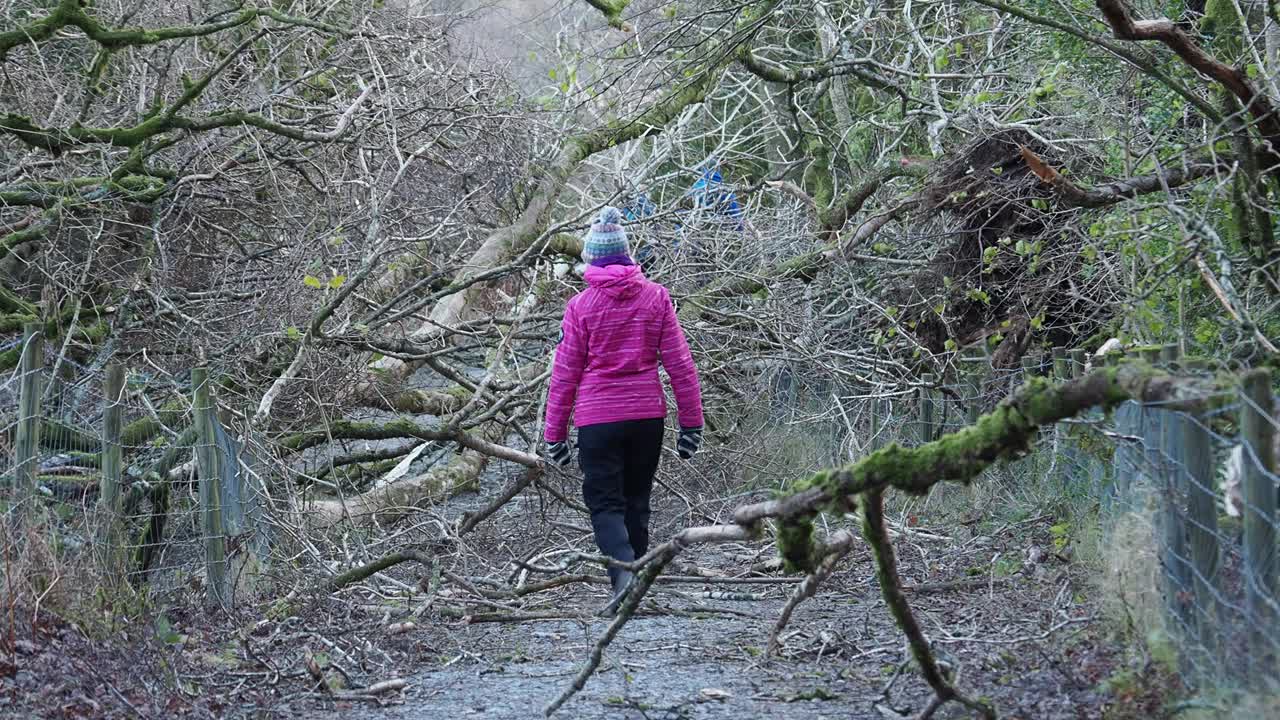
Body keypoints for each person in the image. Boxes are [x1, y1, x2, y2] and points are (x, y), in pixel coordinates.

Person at [542, 206, 705, 616]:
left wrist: (554, 433)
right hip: (647, 417)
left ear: (591, 260)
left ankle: (623, 577)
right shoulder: (656, 297)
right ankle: (633, 578)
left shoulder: (580, 306)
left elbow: (565, 375)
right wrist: (691, 424)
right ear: (628, 257)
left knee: (606, 504)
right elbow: (680, 364)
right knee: (637, 500)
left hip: (598, 419)